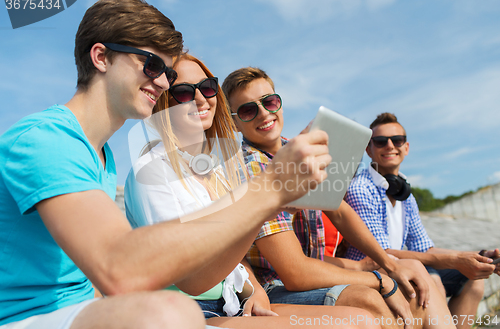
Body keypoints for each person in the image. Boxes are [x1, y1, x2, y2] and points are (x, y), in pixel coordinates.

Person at [0, 0, 335, 328]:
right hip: (26, 319)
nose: (162, 82)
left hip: (82, 313)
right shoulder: (47, 139)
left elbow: (187, 276)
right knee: (170, 313)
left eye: (167, 71)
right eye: (151, 65)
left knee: (356, 320)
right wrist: (270, 187)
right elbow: (120, 267)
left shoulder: (102, 156)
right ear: (101, 57)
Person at [124, 53, 380, 329]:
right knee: (357, 321)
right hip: (186, 310)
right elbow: (193, 279)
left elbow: (231, 253)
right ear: (163, 100)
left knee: (364, 318)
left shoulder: (218, 170)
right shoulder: (152, 172)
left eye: (208, 87)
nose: (201, 99)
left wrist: (253, 287)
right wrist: (268, 201)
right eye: (184, 92)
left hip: (232, 302)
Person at [222, 66, 461, 329]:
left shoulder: (299, 150)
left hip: (310, 274)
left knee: (416, 283)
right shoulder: (249, 168)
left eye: (270, 102)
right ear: (233, 120)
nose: (265, 113)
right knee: (370, 298)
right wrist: (380, 278)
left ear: (279, 102)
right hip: (270, 288)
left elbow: (339, 211)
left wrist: (388, 265)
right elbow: (294, 274)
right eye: (248, 110)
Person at [344, 112, 500, 329]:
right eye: (380, 141)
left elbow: (425, 248)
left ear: (406, 147)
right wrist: (455, 259)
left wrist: (477, 257)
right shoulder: (360, 189)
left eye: (396, 140)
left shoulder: (404, 192)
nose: (389, 145)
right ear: (368, 149)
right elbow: (383, 253)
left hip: (399, 268)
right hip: (373, 271)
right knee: (432, 278)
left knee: (472, 281)